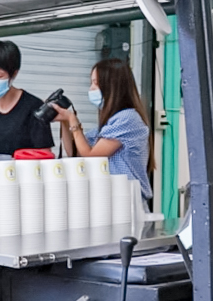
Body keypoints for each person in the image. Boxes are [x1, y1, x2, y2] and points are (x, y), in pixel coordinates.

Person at [52, 58, 154, 200]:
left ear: (112, 86)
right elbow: (75, 152)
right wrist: (65, 121)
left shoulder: (127, 118)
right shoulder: (107, 126)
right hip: (110, 199)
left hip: (126, 201)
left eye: (96, 83)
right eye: (91, 83)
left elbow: (92, 156)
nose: (91, 89)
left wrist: (73, 121)